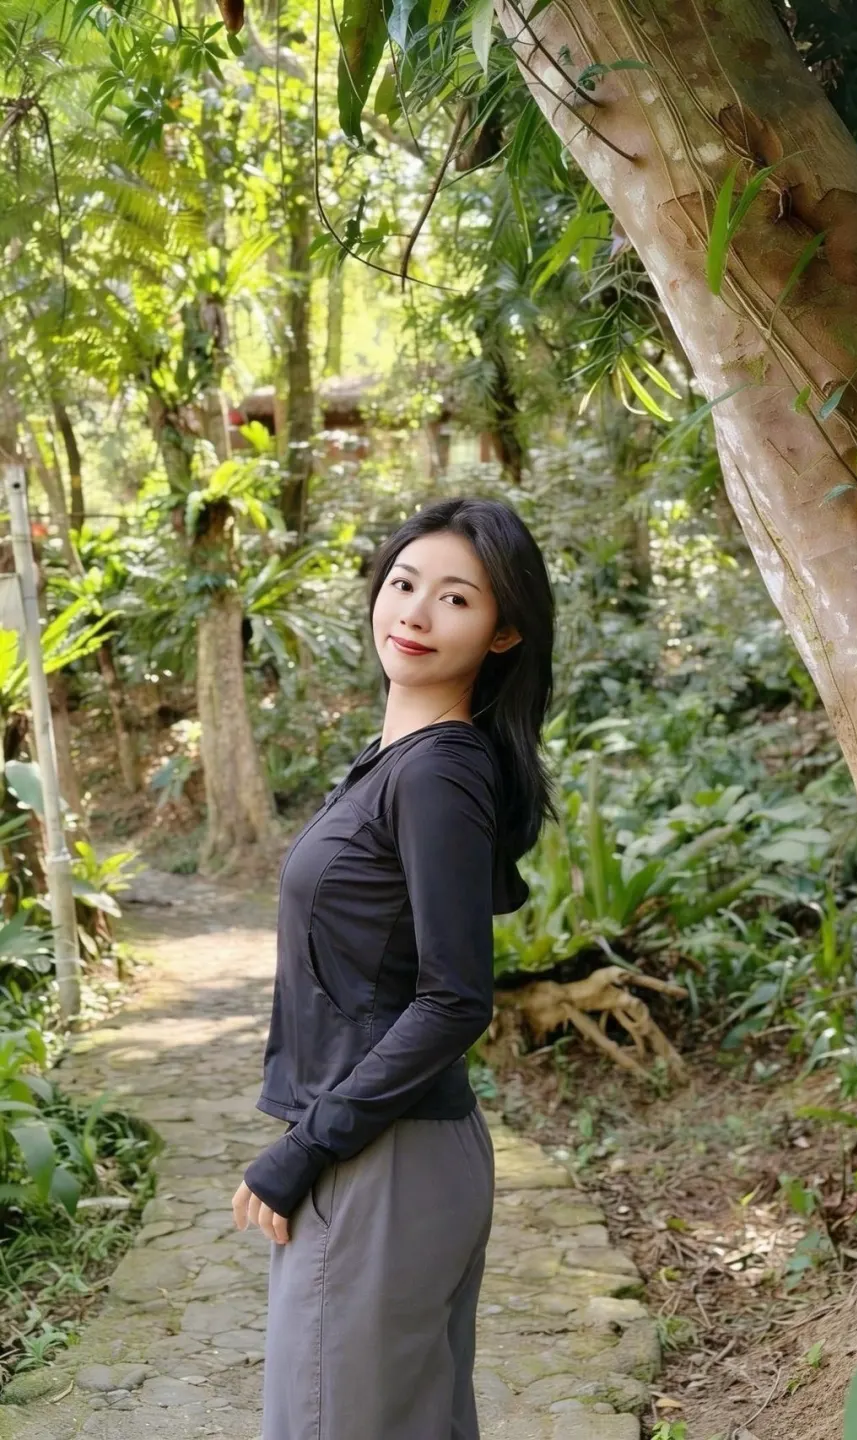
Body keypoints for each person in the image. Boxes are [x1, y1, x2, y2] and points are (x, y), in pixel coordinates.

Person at [231, 496, 558, 1440]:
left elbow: (455, 999)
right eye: (405, 583)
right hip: (389, 1157)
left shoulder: (436, 773)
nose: (415, 612)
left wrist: (305, 1147)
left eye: (456, 598)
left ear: (503, 633)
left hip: (380, 1161)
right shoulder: (396, 761)